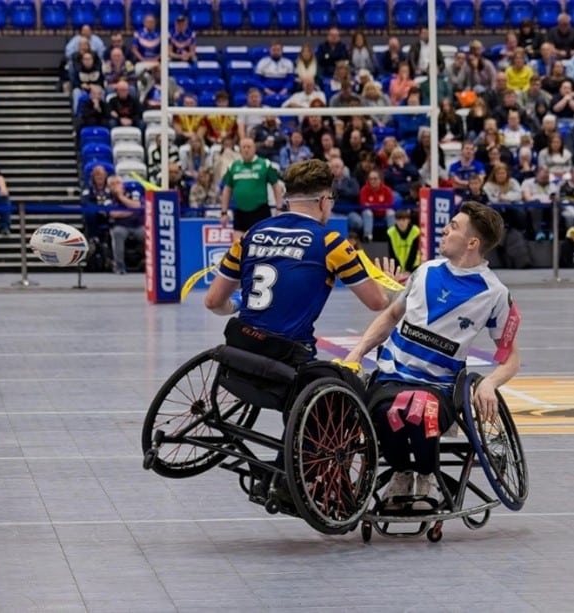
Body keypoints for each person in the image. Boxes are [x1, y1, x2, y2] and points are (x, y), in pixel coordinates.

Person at [204, 159, 391, 503]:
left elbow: (213, 301)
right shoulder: (331, 241)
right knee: (347, 385)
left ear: (287, 198)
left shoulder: (251, 235)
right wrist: (392, 280)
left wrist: (238, 308)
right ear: (324, 201)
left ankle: (282, 472)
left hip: (238, 356)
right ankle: (290, 480)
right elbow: (377, 303)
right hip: (285, 361)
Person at [344, 202, 520, 511]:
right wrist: (357, 352)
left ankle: (426, 476)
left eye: (453, 226)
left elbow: (511, 358)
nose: (444, 229)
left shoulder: (495, 295)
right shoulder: (425, 271)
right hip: (390, 378)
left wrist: (490, 383)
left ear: (472, 243)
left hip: (437, 390)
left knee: (419, 410)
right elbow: (390, 316)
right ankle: (401, 473)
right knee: (387, 411)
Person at [219, 138, 283, 241]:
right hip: (240, 212)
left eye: (249, 147)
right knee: (238, 248)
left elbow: (276, 186)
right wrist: (224, 212)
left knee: (262, 246)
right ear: (239, 150)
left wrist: (279, 208)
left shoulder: (265, 164)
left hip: (260, 212)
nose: (246, 150)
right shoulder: (233, 166)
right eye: (243, 147)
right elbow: (227, 190)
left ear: (254, 149)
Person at [387, 209, 421, 273]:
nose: (401, 223)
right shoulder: (391, 232)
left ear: (408, 220)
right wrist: (398, 269)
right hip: (398, 268)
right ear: (395, 221)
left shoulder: (416, 231)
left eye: (404, 220)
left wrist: (408, 270)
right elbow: (392, 254)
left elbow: (413, 252)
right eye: (398, 220)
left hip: (414, 266)